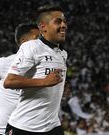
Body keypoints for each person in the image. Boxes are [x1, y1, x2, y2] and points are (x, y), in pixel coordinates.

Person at [4, 4, 68, 135]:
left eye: (64, 21)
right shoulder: (31, 47)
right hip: (25, 127)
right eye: (58, 21)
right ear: (43, 27)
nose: (64, 25)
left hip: (52, 125)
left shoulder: (63, 54)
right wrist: (44, 82)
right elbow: (9, 81)